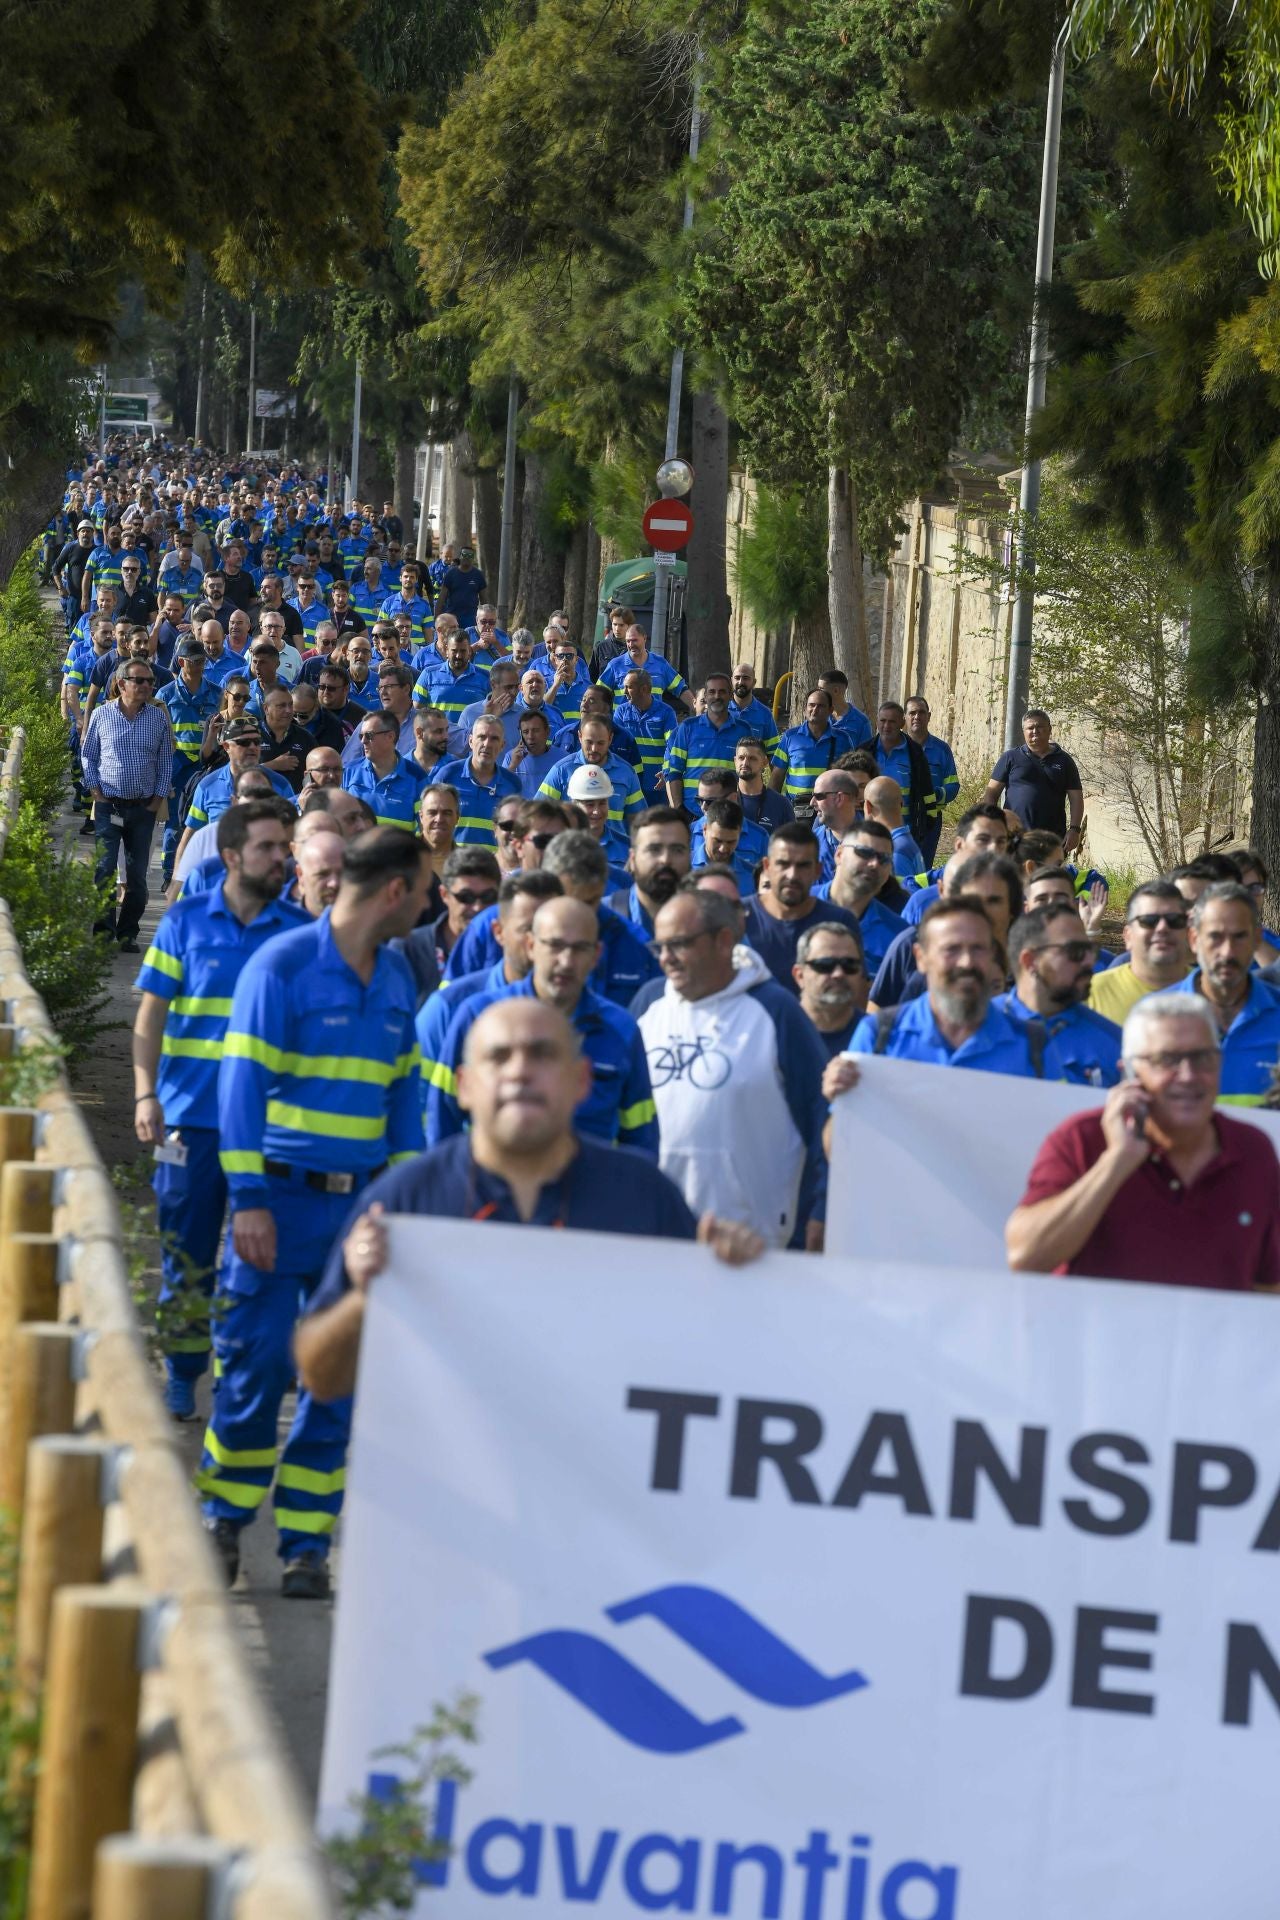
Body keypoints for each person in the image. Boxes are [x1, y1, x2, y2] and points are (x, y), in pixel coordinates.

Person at [296, 998, 764, 1401]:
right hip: (447, 1498)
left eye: (542, 1055)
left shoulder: (642, 1194)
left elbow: (710, 1355)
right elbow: (321, 1378)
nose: (520, 1071)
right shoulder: (405, 1199)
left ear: (581, 1081)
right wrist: (364, 1299)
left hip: (596, 1490)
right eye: (499, 1057)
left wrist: (735, 1278)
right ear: (464, 1086)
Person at [203, 829, 432, 1598]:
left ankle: (306, 1544)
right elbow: (238, 1094)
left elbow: (405, 1102)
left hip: (357, 1214)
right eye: (425, 889)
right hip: (277, 1203)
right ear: (395, 891)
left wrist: (398, 1203)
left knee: (338, 1381)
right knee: (255, 1368)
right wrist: (251, 1202)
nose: (430, 903)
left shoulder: (398, 974)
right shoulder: (283, 967)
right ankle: (223, 1521)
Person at [133, 802, 309, 1418]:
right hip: (190, 1121)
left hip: (272, 1128)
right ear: (231, 856)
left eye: (286, 848)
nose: (282, 859)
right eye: (269, 848)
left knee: (258, 1264)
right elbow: (150, 1017)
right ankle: (182, 1374)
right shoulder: (183, 922)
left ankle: (240, 1380)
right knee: (186, 1259)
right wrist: (145, 1093)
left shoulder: (297, 931)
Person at [1006, 994, 1280, 1289]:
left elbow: (1270, 1283)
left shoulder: (1252, 1149)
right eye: (1167, 1060)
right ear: (1130, 1072)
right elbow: (1026, 1256)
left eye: (1202, 1058)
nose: (1188, 1076)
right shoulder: (1082, 1138)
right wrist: (1116, 1162)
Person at [632, 885, 829, 1247]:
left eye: (679, 944)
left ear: (723, 941)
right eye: (660, 947)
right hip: (655, 1234)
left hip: (752, 1243)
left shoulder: (776, 1010)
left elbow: (823, 1119)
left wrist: (821, 1210)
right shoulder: (649, 1003)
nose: (666, 958)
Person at [428, 896, 658, 1152]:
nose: (566, 961)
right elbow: (442, 1122)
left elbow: (641, 1140)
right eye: (555, 946)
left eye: (580, 948)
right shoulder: (478, 1017)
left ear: (596, 956)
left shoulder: (621, 1030)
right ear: (530, 946)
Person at [834, 896, 1064, 1078]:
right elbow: (841, 1136)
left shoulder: (1034, 1046)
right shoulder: (878, 1036)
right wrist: (840, 1094)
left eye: (978, 949)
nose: (966, 962)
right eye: (951, 950)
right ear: (921, 958)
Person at [81, 658, 174, 953]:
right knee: (104, 870)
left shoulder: (158, 718)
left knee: (136, 876)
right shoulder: (101, 715)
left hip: (142, 808)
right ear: (122, 684)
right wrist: (96, 792)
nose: (147, 686)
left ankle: (127, 932)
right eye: (140, 681)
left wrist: (156, 800)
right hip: (109, 806)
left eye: (150, 681)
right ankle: (103, 931)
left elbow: (165, 762)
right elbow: (88, 756)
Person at [1165, 882, 1280, 1102]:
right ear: (1194, 940)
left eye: (1239, 937)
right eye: (1215, 937)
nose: (1227, 952)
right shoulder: (1152, 1016)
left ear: (1257, 939)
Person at [871, 850, 1022, 1010]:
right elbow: (877, 1010)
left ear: (1012, 907)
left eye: (994, 901)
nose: (982, 910)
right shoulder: (912, 944)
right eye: (972, 900)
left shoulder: (1032, 955)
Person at [997, 905, 1123, 1088]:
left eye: (1090, 950)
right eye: (1075, 952)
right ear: (1030, 961)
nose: (1090, 961)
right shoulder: (972, 1028)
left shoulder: (1114, 1044)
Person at [743, 823, 861, 991]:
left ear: (818, 870)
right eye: (783, 864)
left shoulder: (840, 922)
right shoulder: (739, 918)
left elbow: (854, 992)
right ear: (767, 867)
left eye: (803, 865)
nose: (792, 875)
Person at [157, 637, 222, 885]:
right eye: (195, 661)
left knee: (203, 823)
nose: (200, 665)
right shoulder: (166, 694)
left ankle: (198, 874)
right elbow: (159, 737)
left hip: (206, 766)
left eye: (203, 660)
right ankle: (169, 874)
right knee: (175, 824)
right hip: (177, 767)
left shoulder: (216, 693)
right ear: (182, 662)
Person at [1088, 879, 1193, 1023]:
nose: (1162, 928)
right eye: (1149, 921)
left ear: (1188, 932)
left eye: (1174, 920)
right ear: (1128, 936)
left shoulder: (1212, 992)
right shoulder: (1091, 994)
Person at [985, 708, 1084, 852]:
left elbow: (1076, 798)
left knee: (1045, 875)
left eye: (1040, 727)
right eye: (1030, 728)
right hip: (1014, 835)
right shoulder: (1010, 758)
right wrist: (992, 823)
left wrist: (1074, 830)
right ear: (1023, 731)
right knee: (1013, 874)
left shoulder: (1064, 761)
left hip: (1052, 837)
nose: (1035, 731)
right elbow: (991, 794)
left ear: (1049, 729)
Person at [815, 822, 910, 973]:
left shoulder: (898, 937)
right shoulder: (795, 908)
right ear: (839, 854)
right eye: (865, 853)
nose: (874, 864)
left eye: (884, 859)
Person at [427, 715, 522, 848]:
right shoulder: (447, 776)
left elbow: (517, 834)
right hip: (453, 865)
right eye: (481, 737)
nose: (487, 744)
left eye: (494, 739)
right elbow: (429, 823)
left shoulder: (513, 785)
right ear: (471, 741)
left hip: (494, 867)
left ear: (502, 745)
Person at [663, 672, 751, 815]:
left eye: (722, 692)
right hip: (691, 812)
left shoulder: (743, 729)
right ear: (706, 697)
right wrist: (679, 809)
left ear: (730, 696)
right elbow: (674, 772)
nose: (717, 696)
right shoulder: (687, 728)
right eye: (712, 692)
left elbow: (748, 772)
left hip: (729, 812)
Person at [606, 808, 692, 937]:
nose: (665, 860)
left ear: (690, 856)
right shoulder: (601, 920)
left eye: (677, 850)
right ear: (633, 859)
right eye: (654, 850)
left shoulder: (706, 923)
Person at [342, 710, 430, 831]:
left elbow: (425, 829)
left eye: (369, 735)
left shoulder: (417, 778)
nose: (363, 741)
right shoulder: (349, 771)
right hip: (357, 850)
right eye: (361, 736)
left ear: (390, 736)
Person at [793, 921, 869, 1058]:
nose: (838, 974)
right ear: (799, 975)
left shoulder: (880, 1038)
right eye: (825, 965)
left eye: (849, 964)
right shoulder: (773, 1034)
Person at [905, 694, 960, 868]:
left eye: (921, 712)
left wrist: (934, 795)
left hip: (930, 819)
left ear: (929, 716)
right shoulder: (895, 747)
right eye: (912, 713)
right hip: (899, 818)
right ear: (904, 717)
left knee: (923, 866)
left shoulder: (941, 749)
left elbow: (952, 785)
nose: (917, 717)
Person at [613, 669, 676, 803]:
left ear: (644, 689)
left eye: (629, 687)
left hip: (657, 784)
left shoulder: (666, 712)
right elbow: (615, 746)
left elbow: (673, 745)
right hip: (629, 783)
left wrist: (667, 771)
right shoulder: (621, 711)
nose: (624, 692)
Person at [598, 623, 695, 710]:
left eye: (634, 640)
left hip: (653, 726)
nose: (631, 645)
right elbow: (598, 693)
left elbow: (681, 689)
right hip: (623, 727)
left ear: (644, 638)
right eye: (628, 641)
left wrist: (698, 709)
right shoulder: (615, 665)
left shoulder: (660, 664)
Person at [770, 688, 840, 808]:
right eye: (811, 705)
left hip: (830, 810)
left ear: (830, 710)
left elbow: (850, 776)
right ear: (804, 709)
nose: (815, 710)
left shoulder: (842, 739)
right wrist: (770, 808)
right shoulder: (790, 737)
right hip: (795, 810)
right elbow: (777, 776)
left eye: (821, 706)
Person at [862, 775, 925, 879]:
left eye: (862, 804)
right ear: (901, 804)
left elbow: (900, 894)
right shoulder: (904, 842)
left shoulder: (893, 853)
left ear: (868, 806)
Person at [810, 769, 861, 880]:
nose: (812, 802)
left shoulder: (875, 842)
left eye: (818, 796)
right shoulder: (811, 842)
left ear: (839, 798)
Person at [734, 736, 792, 832]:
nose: (745, 763)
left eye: (752, 758)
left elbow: (792, 843)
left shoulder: (781, 804)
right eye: (741, 758)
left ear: (765, 762)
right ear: (735, 761)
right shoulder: (724, 801)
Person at [728, 663, 782, 755]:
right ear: (731, 681)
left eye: (745, 678)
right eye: (737, 678)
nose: (740, 682)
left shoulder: (765, 714)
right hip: (722, 769)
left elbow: (773, 753)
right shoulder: (721, 710)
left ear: (754, 682)